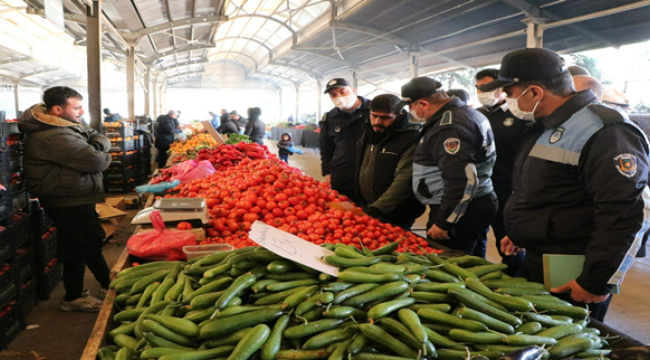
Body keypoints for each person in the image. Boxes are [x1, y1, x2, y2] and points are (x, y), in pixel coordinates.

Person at [480, 47, 650, 322]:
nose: (505, 101)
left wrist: (597, 280)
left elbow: (626, 214)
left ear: (535, 92)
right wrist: (524, 231)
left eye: (509, 94)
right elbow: (548, 191)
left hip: (575, 269)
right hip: (541, 258)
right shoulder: (545, 125)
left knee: (571, 343)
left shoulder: (606, 131)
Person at [19, 86, 112, 312]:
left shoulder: (63, 127)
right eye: (76, 107)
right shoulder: (55, 135)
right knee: (79, 245)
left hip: (73, 194)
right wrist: (101, 145)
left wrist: (95, 141)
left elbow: (91, 135)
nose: (81, 111)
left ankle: (108, 286)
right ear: (58, 109)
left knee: (87, 241)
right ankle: (73, 297)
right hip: (67, 197)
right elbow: (96, 161)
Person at [402, 76, 497, 257]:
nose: (410, 112)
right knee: (472, 259)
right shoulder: (467, 113)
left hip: (462, 209)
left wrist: (445, 221)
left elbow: (460, 178)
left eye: (410, 106)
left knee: (450, 263)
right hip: (475, 201)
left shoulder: (449, 127)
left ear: (423, 104)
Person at [475, 68, 528, 275]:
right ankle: (477, 275)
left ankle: (512, 280)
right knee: (477, 235)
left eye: (487, 87)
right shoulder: (476, 115)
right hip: (480, 189)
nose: (482, 92)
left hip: (507, 189)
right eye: (479, 88)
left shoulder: (520, 115)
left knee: (507, 242)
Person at [355, 94, 425, 230]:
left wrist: (377, 209)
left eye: (385, 117)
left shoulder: (411, 139)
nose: (377, 122)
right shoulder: (369, 134)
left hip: (398, 212)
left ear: (399, 115)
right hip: (370, 207)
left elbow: (404, 181)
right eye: (374, 115)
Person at [319, 78, 370, 205]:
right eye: (333, 95)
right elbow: (326, 148)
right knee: (345, 216)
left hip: (372, 177)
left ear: (353, 90)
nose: (339, 97)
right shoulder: (330, 118)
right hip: (343, 177)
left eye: (343, 92)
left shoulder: (375, 110)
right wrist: (327, 171)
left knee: (374, 219)